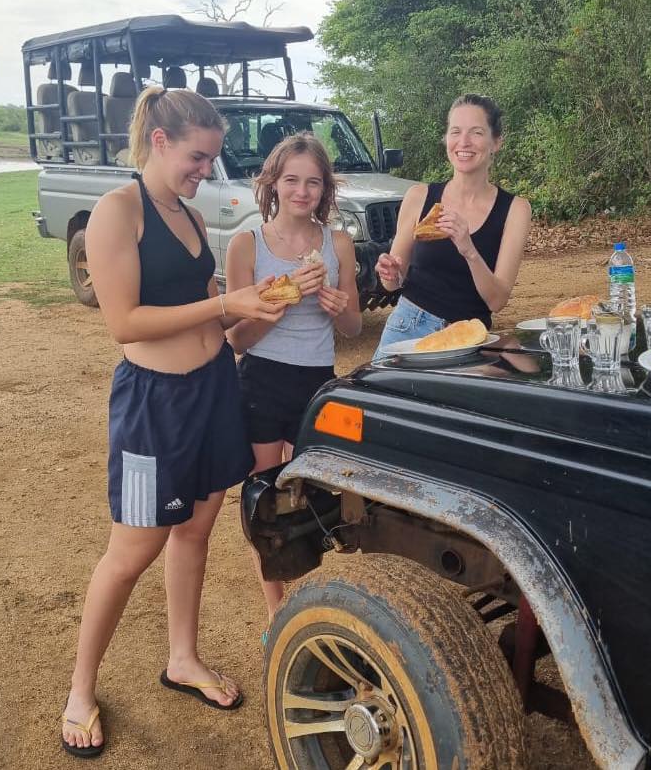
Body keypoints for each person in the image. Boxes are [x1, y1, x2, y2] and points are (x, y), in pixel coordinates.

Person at [60, 86, 285, 758]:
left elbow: (204, 307)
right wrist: (224, 304)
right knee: (131, 552)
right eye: (196, 157)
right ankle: (79, 688)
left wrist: (249, 310)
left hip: (214, 392)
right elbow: (123, 322)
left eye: (210, 160)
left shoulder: (184, 213)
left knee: (194, 530)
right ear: (159, 141)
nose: (204, 171)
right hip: (153, 407)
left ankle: (182, 658)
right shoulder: (117, 212)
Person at [225, 133, 362, 622]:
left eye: (313, 182)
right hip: (261, 380)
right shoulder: (247, 244)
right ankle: (276, 612)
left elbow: (351, 328)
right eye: (292, 180)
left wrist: (338, 306)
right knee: (265, 500)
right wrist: (281, 303)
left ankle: (313, 599)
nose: (302, 191)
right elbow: (238, 340)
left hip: (316, 381)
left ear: (325, 189)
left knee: (315, 497)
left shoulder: (337, 244)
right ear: (273, 184)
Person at [373, 94, 532, 359]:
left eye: (477, 132)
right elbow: (392, 284)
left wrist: (468, 249)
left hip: (467, 340)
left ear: (496, 142)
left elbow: (497, 300)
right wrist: (391, 273)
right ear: (446, 139)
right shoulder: (419, 196)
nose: (464, 142)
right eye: (455, 131)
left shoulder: (515, 209)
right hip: (407, 330)